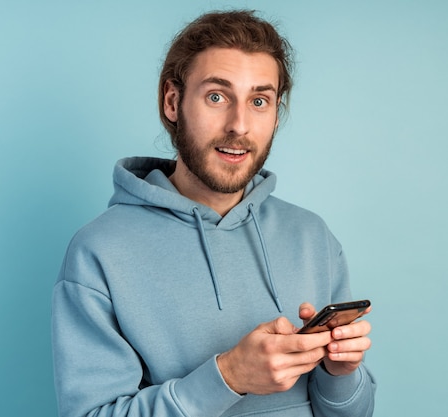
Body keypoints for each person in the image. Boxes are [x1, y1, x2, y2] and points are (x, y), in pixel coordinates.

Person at [52, 10, 376, 417]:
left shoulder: (313, 237)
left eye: (259, 100)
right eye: (217, 96)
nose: (239, 125)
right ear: (173, 102)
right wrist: (228, 377)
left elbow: (354, 412)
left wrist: (340, 372)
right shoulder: (98, 252)